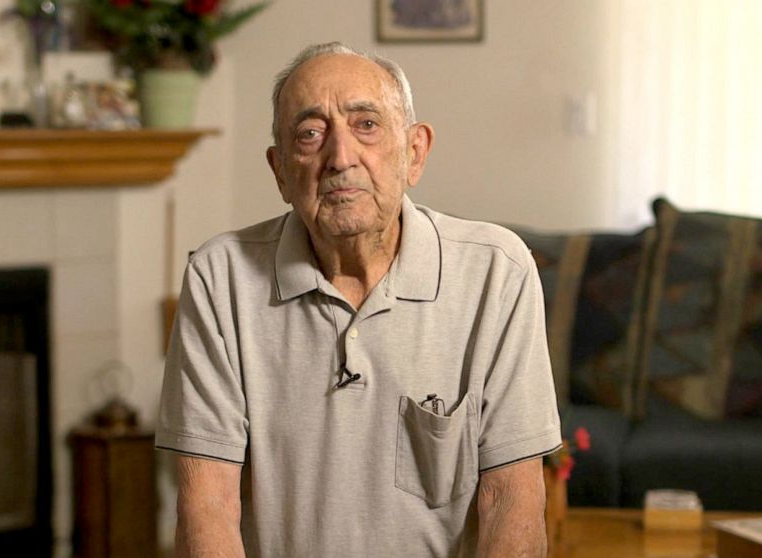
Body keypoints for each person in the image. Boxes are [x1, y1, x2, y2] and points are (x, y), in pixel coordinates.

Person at [156, 42, 562, 557]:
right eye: (310, 134)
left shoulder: (497, 272)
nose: (340, 157)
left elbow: (512, 503)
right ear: (280, 171)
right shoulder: (220, 277)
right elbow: (206, 508)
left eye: (366, 124)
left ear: (414, 152)